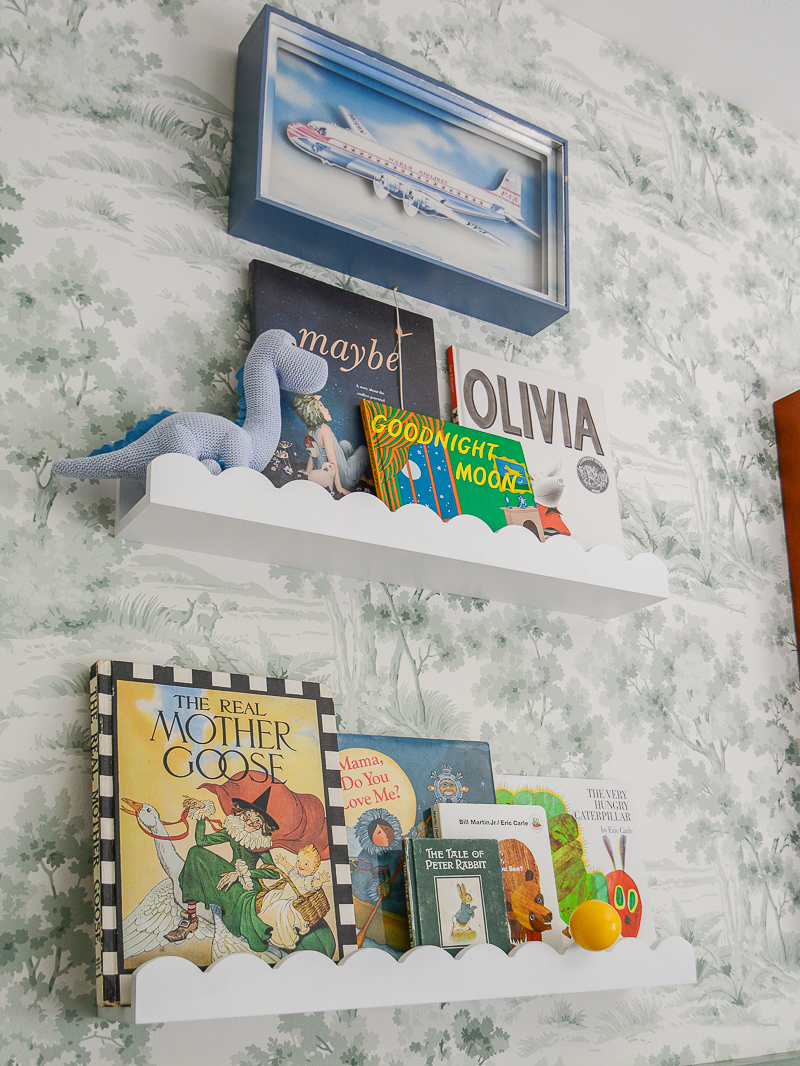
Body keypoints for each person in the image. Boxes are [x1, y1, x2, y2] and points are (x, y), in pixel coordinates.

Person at [166, 787, 282, 951]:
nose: (250, 821)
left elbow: (273, 872)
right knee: (195, 852)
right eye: (248, 815)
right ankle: (191, 918)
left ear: (263, 826)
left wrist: (242, 873)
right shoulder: (234, 831)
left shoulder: (261, 843)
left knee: (241, 902)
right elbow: (201, 841)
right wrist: (201, 814)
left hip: (247, 885)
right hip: (227, 872)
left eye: (257, 820)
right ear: (241, 813)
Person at [289, 393, 369, 495]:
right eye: (321, 406)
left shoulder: (310, 430)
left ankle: (355, 471)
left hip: (324, 473)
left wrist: (308, 471)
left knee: (344, 444)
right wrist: (340, 488)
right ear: (315, 412)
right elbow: (332, 461)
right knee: (364, 450)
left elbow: (313, 454)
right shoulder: (325, 429)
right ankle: (364, 478)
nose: (327, 409)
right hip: (342, 480)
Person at [255, 843, 331, 951]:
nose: (301, 865)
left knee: (278, 907)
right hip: (283, 895)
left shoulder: (308, 879)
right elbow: (290, 869)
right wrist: (284, 863)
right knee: (269, 896)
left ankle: (272, 929)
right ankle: (264, 922)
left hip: (293, 901)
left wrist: (321, 880)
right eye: (299, 860)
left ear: (314, 869)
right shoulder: (295, 872)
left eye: (306, 863)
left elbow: (314, 885)